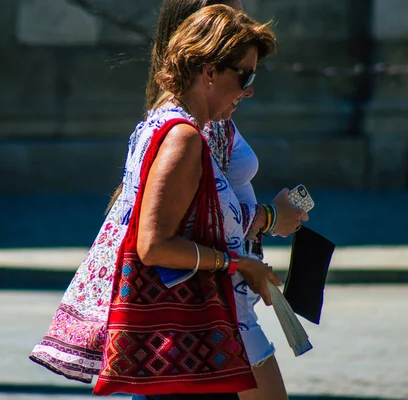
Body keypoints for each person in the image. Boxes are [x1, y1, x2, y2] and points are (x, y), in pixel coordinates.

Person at [30, 4, 301, 399]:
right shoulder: (184, 136)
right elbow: (153, 245)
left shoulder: (173, 123)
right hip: (189, 328)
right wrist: (235, 261)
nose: (249, 89)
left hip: (192, 328)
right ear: (209, 71)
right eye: (245, 74)